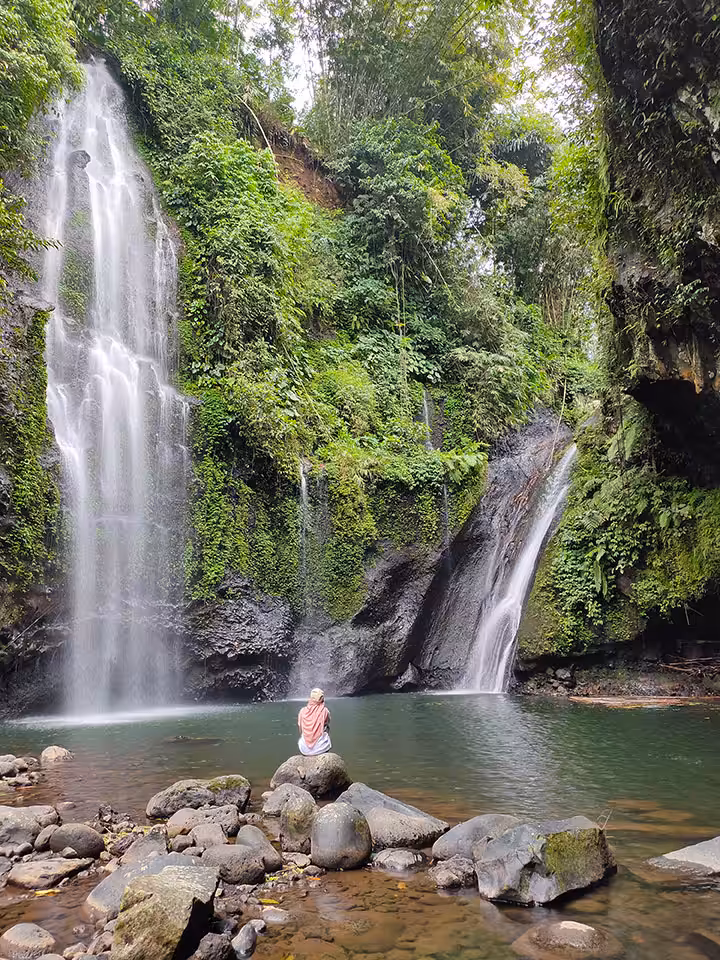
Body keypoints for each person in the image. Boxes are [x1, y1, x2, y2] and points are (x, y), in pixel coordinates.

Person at [298, 688, 331, 756]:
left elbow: (300, 728)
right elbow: (328, 721)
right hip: (321, 748)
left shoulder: (302, 711)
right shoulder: (324, 711)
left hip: (304, 749)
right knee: (326, 728)